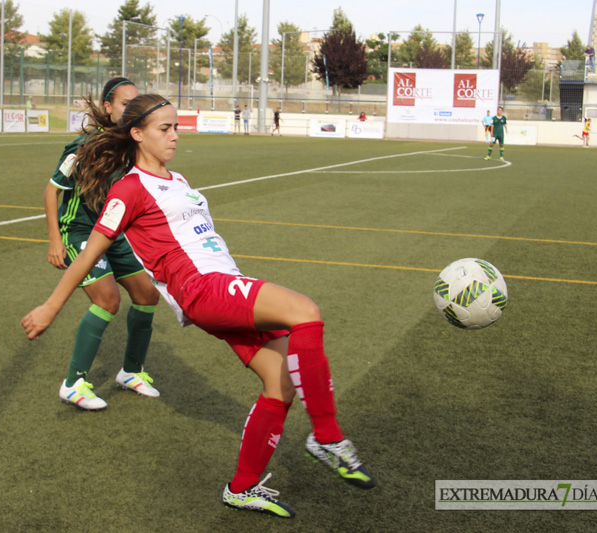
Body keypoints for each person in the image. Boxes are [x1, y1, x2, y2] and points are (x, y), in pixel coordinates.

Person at [22, 93, 377, 518]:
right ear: (137, 134)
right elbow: (88, 254)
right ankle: (327, 436)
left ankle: (242, 489)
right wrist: (49, 307)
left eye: (176, 127)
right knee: (306, 311)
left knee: (279, 386)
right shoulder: (128, 188)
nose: (175, 136)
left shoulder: (179, 180)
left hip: (223, 284)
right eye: (164, 129)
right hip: (202, 290)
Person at [43, 78, 161, 410]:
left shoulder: (131, 144)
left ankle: (131, 371)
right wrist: (55, 241)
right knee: (108, 300)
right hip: (79, 231)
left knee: (147, 293)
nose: (131, 110)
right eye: (125, 104)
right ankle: (74, 383)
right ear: (107, 107)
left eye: (135, 104)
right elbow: (51, 191)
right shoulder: (82, 146)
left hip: (110, 232)